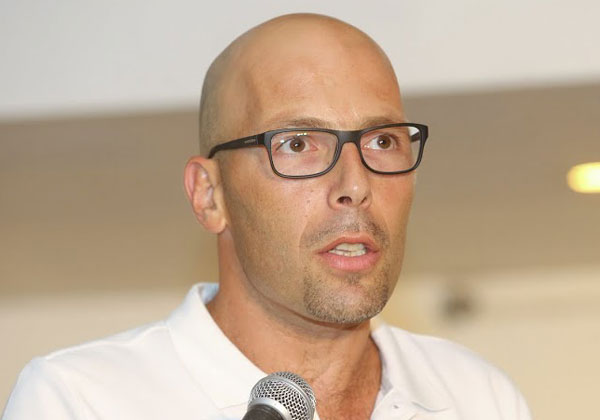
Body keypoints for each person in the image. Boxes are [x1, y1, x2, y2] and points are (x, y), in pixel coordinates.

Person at [2, 13, 531, 420]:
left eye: (382, 141)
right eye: (298, 143)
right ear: (210, 195)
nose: (355, 186)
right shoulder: (83, 401)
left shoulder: (478, 399)